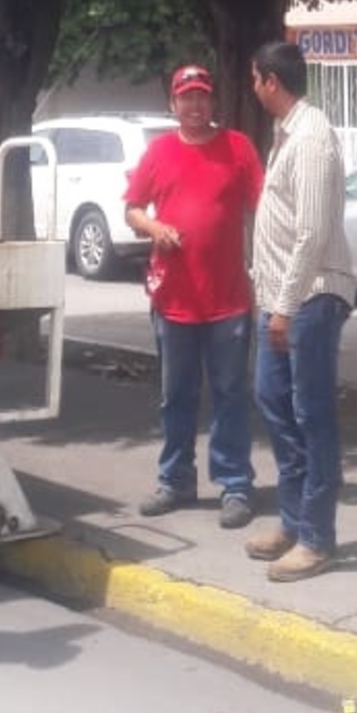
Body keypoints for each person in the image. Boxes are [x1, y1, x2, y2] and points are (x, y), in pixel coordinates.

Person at [124, 63, 265, 527]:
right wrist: (154, 227)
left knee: (230, 394)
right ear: (173, 104)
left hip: (229, 300)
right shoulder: (159, 152)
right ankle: (176, 481)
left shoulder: (238, 148)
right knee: (176, 397)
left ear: (212, 101)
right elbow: (132, 209)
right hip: (174, 300)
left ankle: (235, 485)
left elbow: (263, 209)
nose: (195, 104)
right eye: (186, 97)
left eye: (202, 95)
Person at [245, 39, 355, 582]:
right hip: (282, 302)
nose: (252, 88)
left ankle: (316, 538)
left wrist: (285, 308)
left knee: (311, 416)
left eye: (255, 79)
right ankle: (293, 522)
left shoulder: (311, 138)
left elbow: (311, 233)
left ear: (271, 81)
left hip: (310, 298)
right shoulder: (286, 136)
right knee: (275, 405)